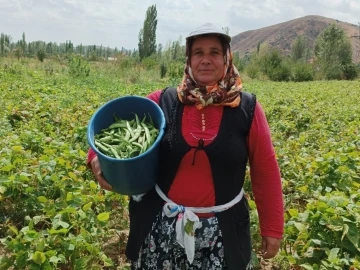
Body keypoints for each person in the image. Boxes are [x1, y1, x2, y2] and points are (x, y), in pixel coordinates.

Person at [87, 23, 284, 270]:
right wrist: (95, 155)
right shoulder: (165, 100)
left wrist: (273, 227)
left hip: (222, 233)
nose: (206, 60)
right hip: (162, 228)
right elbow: (108, 126)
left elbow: (265, 170)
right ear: (189, 60)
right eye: (198, 52)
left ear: (226, 58)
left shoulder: (247, 109)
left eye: (214, 52)